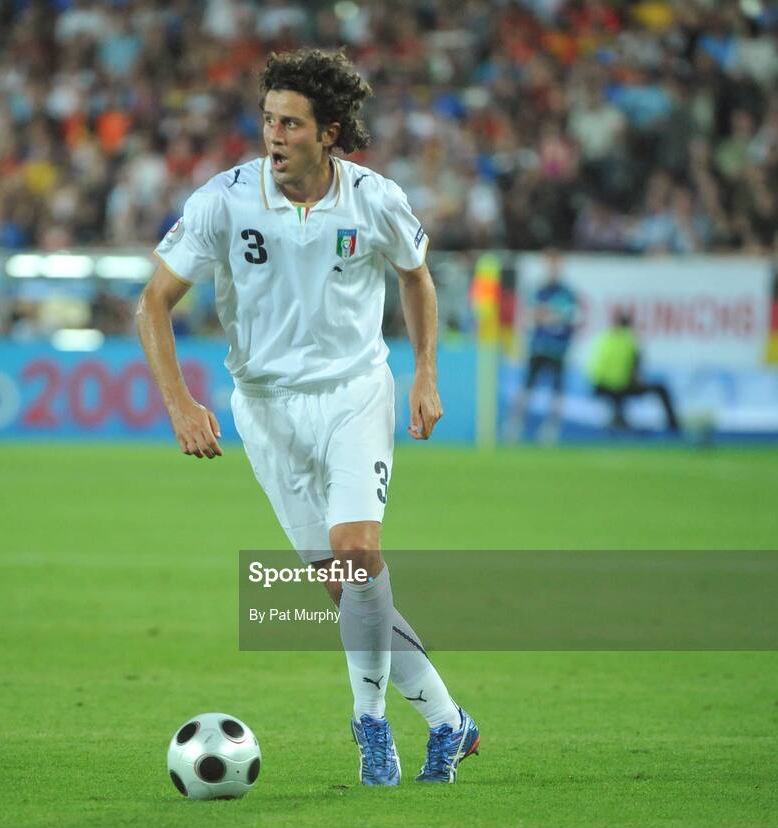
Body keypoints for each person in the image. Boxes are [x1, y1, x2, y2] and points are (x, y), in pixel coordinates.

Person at [137, 49, 479, 786]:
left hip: (355, 393)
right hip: (265, 409)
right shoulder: (223, 201)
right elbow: (153, 304)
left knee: (357, 553)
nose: (274, 135)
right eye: (267, 120)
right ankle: (450, 723)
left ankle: (370, 724)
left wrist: (424, 373)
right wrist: (180, 403)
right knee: (347, 592)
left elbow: (416, 279)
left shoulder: (374, 198)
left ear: (329, 132)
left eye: (291, 123)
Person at [505, 248, 579, 443]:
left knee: (556, 390)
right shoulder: (540, 290)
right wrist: (550, 315)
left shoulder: (566, 292)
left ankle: (551, 428)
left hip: (557, 349)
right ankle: (516, 425)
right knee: (526, 387)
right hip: (538, 346)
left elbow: (565, 318)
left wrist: (546, 315)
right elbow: (532, 316)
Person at [589, 311, 680, 434]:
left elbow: (595, 366)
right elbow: (635, 369)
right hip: (620, 386)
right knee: (660, 389)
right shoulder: (630, 341)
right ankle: (673, 426)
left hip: (600, 386)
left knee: (619, 391)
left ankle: (619, 420)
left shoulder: (604, 339)